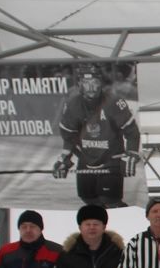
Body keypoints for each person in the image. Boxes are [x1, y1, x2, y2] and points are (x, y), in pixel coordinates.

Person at [52, 62, 140, 207]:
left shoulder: (114, 102)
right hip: (86, 160)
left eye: (95, 82)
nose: (91, 87)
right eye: (87, 82)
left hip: (111, 159)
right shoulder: (73, 104)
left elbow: (131, 132)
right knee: (88, 199)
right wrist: (64, 159)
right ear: (80, 84)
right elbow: (69, 137)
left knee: (110, 200)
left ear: (101, 83)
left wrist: (131, 154)